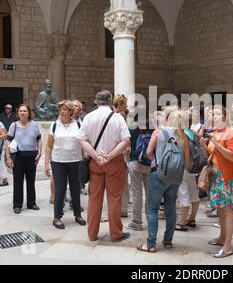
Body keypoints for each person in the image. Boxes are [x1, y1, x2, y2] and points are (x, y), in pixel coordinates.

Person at [78, 90, 131, 242]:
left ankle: (92, 233)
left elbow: (81, 140)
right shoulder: (117, 118)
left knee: (94, 198)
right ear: (110, 101)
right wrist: (110, 155)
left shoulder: (88, 117)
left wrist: (96, 156)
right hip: (114, 162)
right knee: (114, 198)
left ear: (96, 101)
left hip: (95, 163)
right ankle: (116, 233)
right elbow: (125, 140)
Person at [137, 109, 189, 253]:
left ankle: (151, 244)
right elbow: (186, 160)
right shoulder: (182, 135)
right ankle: (168, 241)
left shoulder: (158, 132)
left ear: (167, 119)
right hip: (175, 178)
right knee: (171, 209)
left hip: (158, 174)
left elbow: (148, 153)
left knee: (152, 209)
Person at [200, 105, 233, 258]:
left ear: (224, 117)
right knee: (220, 209)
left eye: (216, 114)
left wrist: (216, 144)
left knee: (227, 209)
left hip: (225, 176)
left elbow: (232, 156)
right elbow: (210, 154)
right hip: (215, 175)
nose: (213, 117)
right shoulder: (215, 133)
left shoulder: (231, 133)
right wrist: (205, 146)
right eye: (211, 114)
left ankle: (228, 247)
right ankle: (222, 238)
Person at [44, 100, 86, 229]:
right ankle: (57, 217)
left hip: (75, 160)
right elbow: (49, 145)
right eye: (60, 109)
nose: (62, 111)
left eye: (65, 109)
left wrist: (86, 156)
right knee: (60, 189)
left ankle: (78, 215)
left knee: (75, 188)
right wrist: (46, 164)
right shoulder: (55, 125)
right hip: (58, 161)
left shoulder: (78, 124)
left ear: (70, 112)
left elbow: (83, 142)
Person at [5, 104, 42, 214]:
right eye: (20, 111)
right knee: (18, 181)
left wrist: (39, 153)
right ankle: (17, 204)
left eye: (24, 111)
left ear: (29, 113)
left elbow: (39, 139)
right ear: (17, 113)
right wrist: (8, 158)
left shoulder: (34, 125)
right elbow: (8, 142)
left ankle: (31, 203)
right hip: (19, 157)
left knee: (31, 181)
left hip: (32, 157)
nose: (22, 113)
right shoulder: (14, 125)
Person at [0, 121, 8, 186]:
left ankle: (4, 180)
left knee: (1, 163)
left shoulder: (0, 124)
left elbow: (4, 135)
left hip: (1, 148)